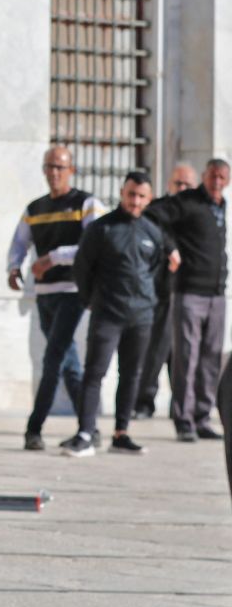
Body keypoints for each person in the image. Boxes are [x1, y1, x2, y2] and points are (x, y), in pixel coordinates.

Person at [63, 172, 168, 457]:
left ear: (149, 199)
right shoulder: (101, 229)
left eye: (141, 196)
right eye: (131, 194)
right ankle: (85, 433)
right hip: (108, 313)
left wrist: (148, 301)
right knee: (95, 372)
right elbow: (83, 268)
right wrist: (90, 300)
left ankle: (122, 433)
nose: (135, 201)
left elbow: (156, 270)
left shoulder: (152, 232)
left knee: (132, 374)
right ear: (122, 193)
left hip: (141, 315)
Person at [7, 146, 104, 450]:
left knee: (53, 359)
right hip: (45, 293)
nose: (54, 173)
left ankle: (33, 429)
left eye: (60, 167)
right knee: (68, 363)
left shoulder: (86, 203)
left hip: (73, 292)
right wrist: (13, 267)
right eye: (49, 167)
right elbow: (19, 243)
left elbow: (95, 245)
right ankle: (89, 426)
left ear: (71, 170)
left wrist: (54, 258)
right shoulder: (35, 208)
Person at [145, 158, 229, 441]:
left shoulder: (221, 206)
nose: (217, 182)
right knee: (186, 358)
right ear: (204, 176)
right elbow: (152, 214)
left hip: (217, 294)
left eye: (222, 177)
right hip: (189, 291)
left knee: (211, 359)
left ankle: (202, 417)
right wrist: (170, 248)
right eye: (212, 176)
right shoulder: (186, 201)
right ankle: (183, 419)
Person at [133, 163, 199, 420]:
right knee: (156, 347)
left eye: (187, 185)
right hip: (161, 289)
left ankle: (182, 407)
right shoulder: (158, 209)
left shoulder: (199, 210)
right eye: (178, 184)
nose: (182, 189)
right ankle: (144, 402)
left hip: (191, 290)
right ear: (169, 184)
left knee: (184, 352)